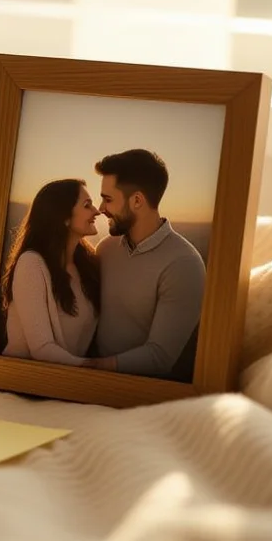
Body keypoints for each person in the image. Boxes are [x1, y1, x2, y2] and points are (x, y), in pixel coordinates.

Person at [91, 149, 206, 380]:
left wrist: (87, 368)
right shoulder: (105, 249)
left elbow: (159, 358)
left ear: (136, 201)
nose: (100, 208)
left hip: (137, 396)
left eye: (108, 199)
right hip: (88, 385)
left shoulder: (184, 265)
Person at [0, 178, 113, 368]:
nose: (96, 211)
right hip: (23, 382)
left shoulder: (87, 266)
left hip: (67, 382)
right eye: (87, 205)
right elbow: (42, 348)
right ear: (64, 217)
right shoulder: (31, 264)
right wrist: (96, 369)